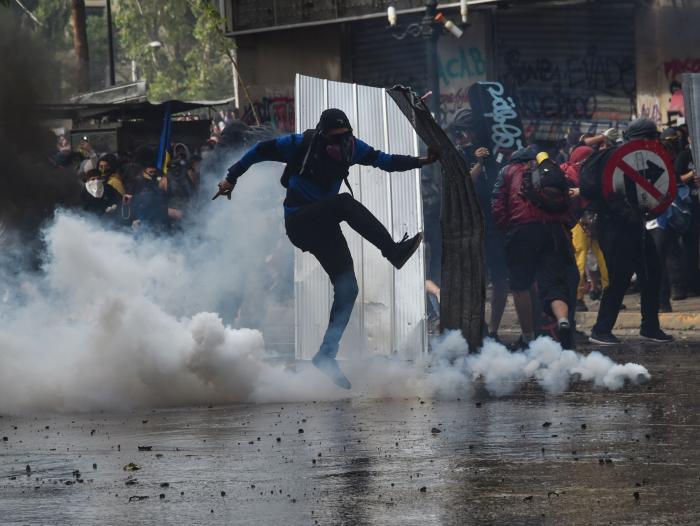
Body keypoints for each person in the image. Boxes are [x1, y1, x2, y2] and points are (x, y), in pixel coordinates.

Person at [216, 108, 438, 389]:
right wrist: (231, 178)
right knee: (344, 203)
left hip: (325, 225)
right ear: (322, 136)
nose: (340, 144)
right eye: (334, 138)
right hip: (299, 222)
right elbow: (258, 151)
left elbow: (387, 161)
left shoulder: (353, 148)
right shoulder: (300, 143)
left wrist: (423, 160)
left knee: (348, 288)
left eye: (345, 136)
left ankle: (325, 355)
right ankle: (392, 251)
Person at [582, 118, 673, 345]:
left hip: (635, 224)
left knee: (652, 271)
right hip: (613, 224)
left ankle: (650, 327)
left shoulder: (643, 156)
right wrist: (620, 207)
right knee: (619, 276)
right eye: (651, 137)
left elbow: (660, 185)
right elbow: (593, 189)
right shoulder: (610, 156)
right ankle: (601, 330)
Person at [492, 148, 575, 350]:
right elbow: (567, 201)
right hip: (554, 232)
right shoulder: (551, 170)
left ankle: (528, 338)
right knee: (554, 283)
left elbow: (497, 205)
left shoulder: (508, 171)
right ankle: (563, 321)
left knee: (520, 284)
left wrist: (506, 229)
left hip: (523, 230)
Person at [448, 110, 508, 341]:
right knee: (477, 280)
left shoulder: (490, 152)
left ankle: (493, 330)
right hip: (472, 226)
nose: (461, 137)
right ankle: (478, 327)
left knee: (501, 278)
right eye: (458, 133)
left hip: (494, 224)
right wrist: (478, 162)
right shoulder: (457, 156)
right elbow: (464, 184)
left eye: (464, 132)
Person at [561, 145, 609, 312]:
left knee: (581, 255)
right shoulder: (593, 170)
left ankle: (579, 296)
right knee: (599, 254)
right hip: (592, 216)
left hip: (577, 219)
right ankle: (607, 292)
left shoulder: (567, 171)